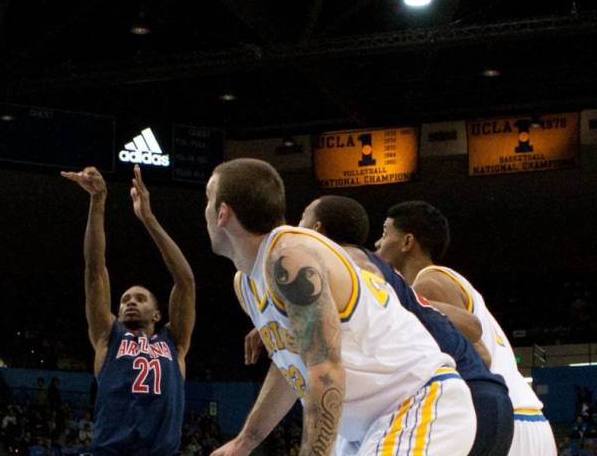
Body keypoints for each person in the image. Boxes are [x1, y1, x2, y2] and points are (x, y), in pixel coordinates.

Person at [201, 159, 473, 456]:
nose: (204, 210)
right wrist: (245, 441)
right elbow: (291, 367)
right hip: (365, 428)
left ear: (223, 213)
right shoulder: (246, 283)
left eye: (208, 199)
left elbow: (324, 368)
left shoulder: (289, 257)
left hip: (414, 403)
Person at [287, 197, 512, 456]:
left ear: (316, 229)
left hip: (462, 400)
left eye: (302, 216)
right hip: (486, 397)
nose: (378, 242)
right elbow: (479, 343)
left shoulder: (354, 262)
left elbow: (473, 328)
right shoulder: (388, 280)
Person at [378, 201, 556, 456]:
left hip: (507, 421)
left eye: (384, 234)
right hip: (525, 418)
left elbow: (479, 355)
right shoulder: (447, 279)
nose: (378, 243)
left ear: (407, 242)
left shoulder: (428, 282)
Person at [61, 165, 193, 456]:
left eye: (140, 298)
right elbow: (95, 270)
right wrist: (98, 202)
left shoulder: (175, 343)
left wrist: (148, 217)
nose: (130, 302)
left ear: (158, 315)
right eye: (124, 299)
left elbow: (184, 281)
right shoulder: (108, 337)